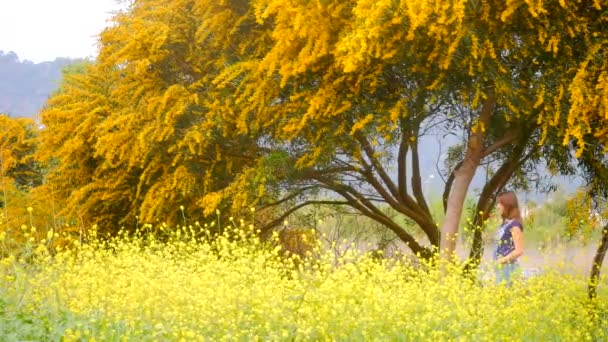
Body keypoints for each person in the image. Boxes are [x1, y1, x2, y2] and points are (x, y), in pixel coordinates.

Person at [493, 191, 524, 285]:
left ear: (508, 205)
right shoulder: (505, 224)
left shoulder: (515, 225)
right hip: (502, 268)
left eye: (500, 203)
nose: (498, 206)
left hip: (508, 268)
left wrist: (500, 261)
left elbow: (519, 251)